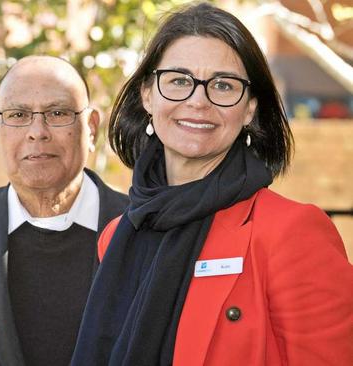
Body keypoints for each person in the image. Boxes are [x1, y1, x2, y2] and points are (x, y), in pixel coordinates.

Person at [71, 3, 353, 366]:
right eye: (178, 80)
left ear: (249, 108)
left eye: (223, 85)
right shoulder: (116, 236)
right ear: (147, 95)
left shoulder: (290, 233)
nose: (198, 101)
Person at [0, 56, 129, 366]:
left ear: (91, 128)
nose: (37, 132)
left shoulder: (146, 232)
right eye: (18, 115)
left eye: (57, 113)